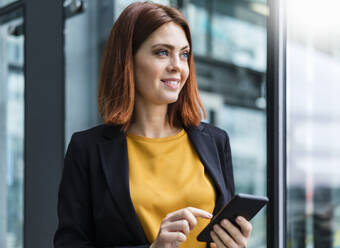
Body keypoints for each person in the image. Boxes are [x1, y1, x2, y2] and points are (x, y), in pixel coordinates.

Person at [54, 2, 252, 248]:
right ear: (128, 59)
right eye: (162, 52)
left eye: (184, 54)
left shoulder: (215, 140)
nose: (177, 66)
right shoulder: (87, 149)